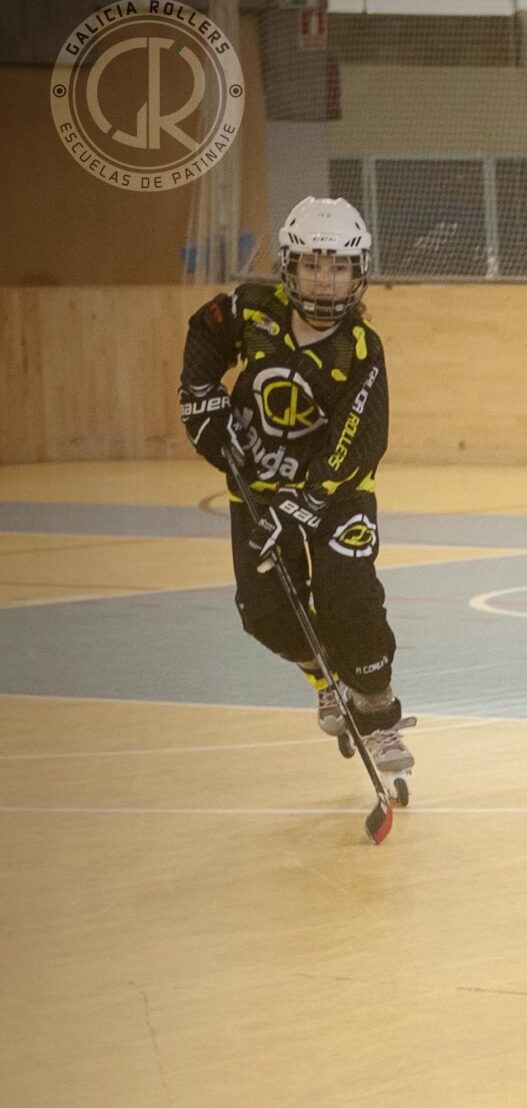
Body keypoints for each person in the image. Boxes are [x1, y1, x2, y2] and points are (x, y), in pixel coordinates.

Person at [179, 196, 405, 777]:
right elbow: (203, 343)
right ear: (288, 266)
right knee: (263, 613)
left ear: (358, 274)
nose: (325, 282)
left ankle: (377, 714)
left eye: (338, 268)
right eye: (312, 265)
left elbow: (361, 437)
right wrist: (203, 405)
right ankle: (324, 675)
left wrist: (305, 505)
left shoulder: (359, 349)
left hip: (337, 491)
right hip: (257, 481)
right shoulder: (251, 312)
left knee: (349, 601)